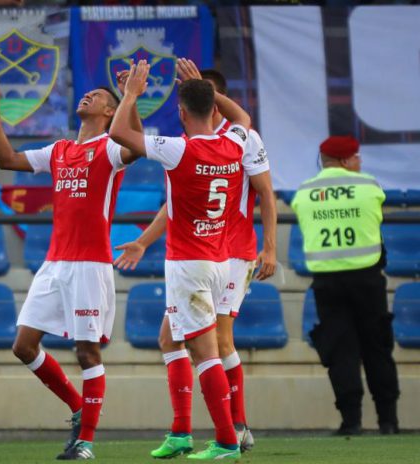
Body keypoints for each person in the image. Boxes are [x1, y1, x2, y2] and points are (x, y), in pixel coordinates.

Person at [114, 65, 278, 455]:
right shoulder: (233, 142)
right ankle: (182, 432)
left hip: (195, 261)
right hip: (216, 256)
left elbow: (121, 134)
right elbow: (242, 118)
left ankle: (229, 436)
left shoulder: (180, 149)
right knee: (169, 338)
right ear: (214, 105)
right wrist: (143, 242)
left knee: (209, 350)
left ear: (182, 112)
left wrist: (131, 94)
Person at [0, 71, 141, 460]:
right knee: (23, 346)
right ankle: (79, 407)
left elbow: (135, 145)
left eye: (97, 95)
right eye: (88, 92)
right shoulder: (59, 150)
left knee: (87, 353)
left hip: (89, 265)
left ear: (110, 111)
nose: (87, 95)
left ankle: (86, 442)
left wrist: (130, 97)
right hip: (54, 265)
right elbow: (7, 159)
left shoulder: (110, 149)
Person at [291, 136, 400, 436]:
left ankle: (350, 421)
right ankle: (388, 421)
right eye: (356, 157)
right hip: (367, 280)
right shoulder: (369, 186)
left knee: (340, 352)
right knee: (377, 348)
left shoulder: (305, 192)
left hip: (327, 283)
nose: (360, 161)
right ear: (345, 160)